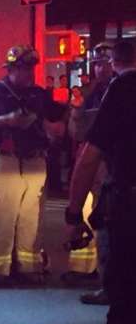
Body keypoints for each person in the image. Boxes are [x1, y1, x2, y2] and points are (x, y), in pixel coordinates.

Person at [65, 41, 136, 324]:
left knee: (125, 309)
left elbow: (89, 154)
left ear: (117, 62)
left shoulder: (122, 89)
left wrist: (73, 212)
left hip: (129, 208)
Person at [0, 45, 66, 284]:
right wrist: (7, 120)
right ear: (11, 69)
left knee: (31, 217)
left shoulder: (38, 94)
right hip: (6, 159)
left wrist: (53, 126)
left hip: (35, 159)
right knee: (3, 216)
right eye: (24, 69)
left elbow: (57, 118)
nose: (29, 73)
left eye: (31, 68)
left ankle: (29, 267)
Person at [63, 42, 114, 304]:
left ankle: (109, 281)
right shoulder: (91, 93)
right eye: (96, 64)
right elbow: (76, 133)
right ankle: (84, 268)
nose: (99, 69)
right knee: (87, 214)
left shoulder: (121, 90)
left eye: (104, 63)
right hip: (92, 159)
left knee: (107, 219)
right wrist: (76, 111)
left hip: (111, 163)